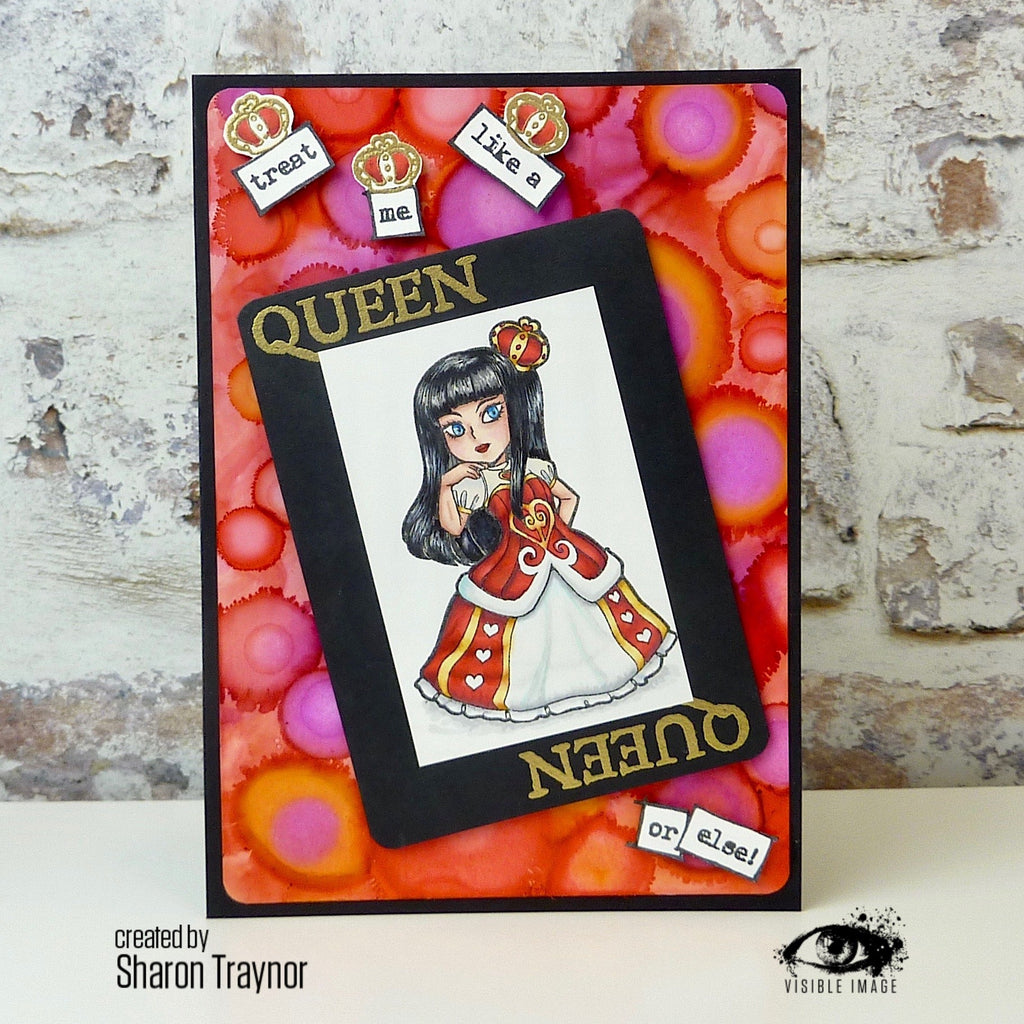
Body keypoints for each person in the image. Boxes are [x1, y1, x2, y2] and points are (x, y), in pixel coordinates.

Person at [402, 317, 676, 721]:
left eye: (491, 413)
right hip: (511, 568)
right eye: (456, 428)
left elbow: (569, 497)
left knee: (588, 622)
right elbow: (454, 527)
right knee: (520, 636)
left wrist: (558, 533)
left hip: (561, 555)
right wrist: (445, 487)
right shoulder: (474, 485)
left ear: (515, 409)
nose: (477, 436)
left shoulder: (535, 468)